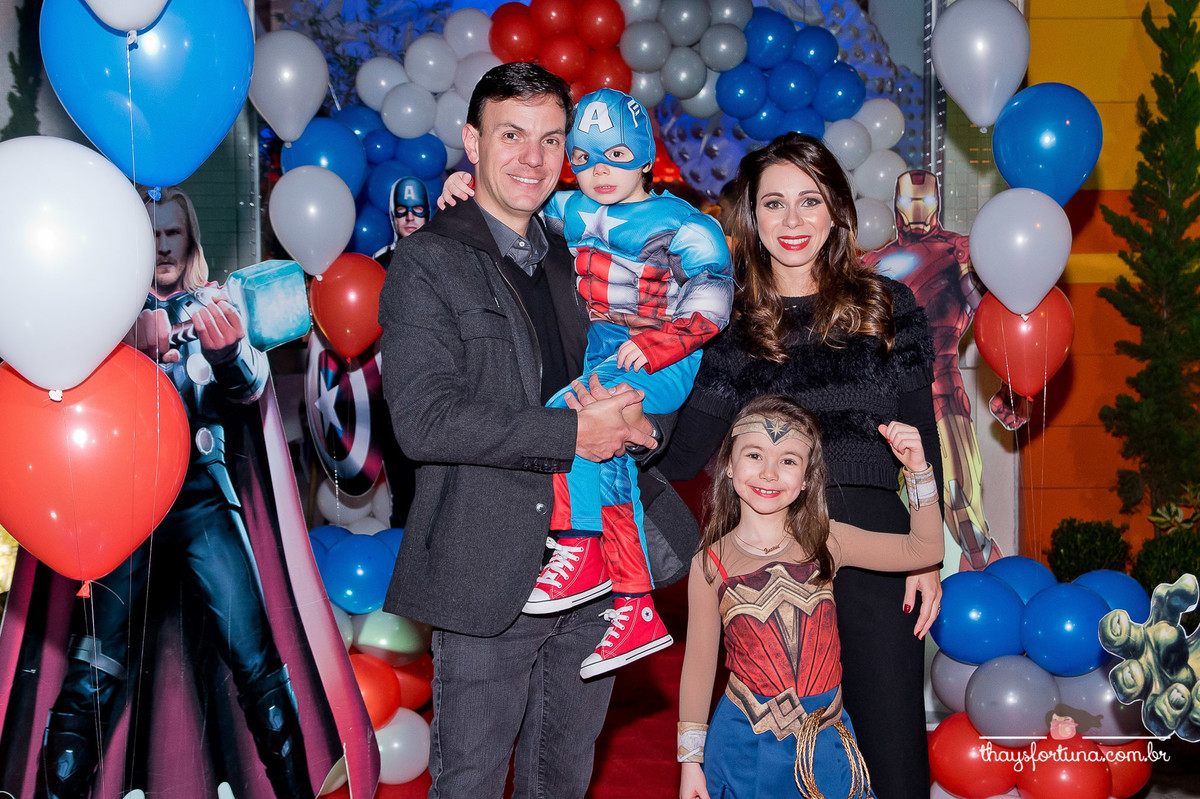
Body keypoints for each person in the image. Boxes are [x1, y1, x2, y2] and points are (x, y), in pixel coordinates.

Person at [377, 63, 699, 799]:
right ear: (473, 143)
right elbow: (424, 420)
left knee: (564, 779)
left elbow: (657, 347)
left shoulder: (585, 252)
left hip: (597, 569)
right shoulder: (429, 262)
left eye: (551, 139)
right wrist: (570, 434)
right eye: (512, 135)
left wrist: (645, 422)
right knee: (470, 783)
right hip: (489, 570)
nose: (533, 157)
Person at [656, 132, 944, 799]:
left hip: (876, 549)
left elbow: (920, 438)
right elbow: (687, 453)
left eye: (809, 201)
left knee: (893, 754)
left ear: (836, 210)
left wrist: (926, 555)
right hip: (772, 560)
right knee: (782, 767)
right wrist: (624, 398)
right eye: (774, 203)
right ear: (751, 217)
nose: (792, 220)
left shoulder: (888, 306)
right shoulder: (729, 323)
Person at [33, 186, 318, 799]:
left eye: (173, 233)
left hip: (200, 502)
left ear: (190, 240)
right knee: (91, 675)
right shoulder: (101, 310)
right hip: (120, 511)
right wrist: (117, 346)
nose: (163, 246)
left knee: (257, 665)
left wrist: (226, 354)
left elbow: (249, 390)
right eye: (152, 233)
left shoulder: (219, 302)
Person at [440, 87, 733, 677]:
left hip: (663, 354)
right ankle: (634, 603)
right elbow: (511, 202)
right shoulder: (567, 208)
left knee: (568, 419)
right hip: (605, 352)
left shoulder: (685, 224)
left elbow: (714, 297)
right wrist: (464, 188)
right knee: (604, 454)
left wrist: (658, 344)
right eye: (584, 157)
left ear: (645, 156)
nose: (600, 171)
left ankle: (581, 549)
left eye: (617, 155)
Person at [677, 395, 944, 798]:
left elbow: (924, 550)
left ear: (806, 479)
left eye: (788, 460)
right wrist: (690, 763)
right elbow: (698, 666)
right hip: (743, 751)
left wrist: (918, 471)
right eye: (754, 455)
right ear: (728, 464)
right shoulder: (708, 564)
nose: (769, 473)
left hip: (825, 749)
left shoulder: (828, 540)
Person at [861, 169, 1000, 570]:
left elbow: (996, 320)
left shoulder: (959, 253)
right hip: (884, 409)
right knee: (882, 515)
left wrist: (1015, 389)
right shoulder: (871, 264)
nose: (917, 210)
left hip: (942, 397)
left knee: (960, 506)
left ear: (938, 202)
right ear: (896, 203)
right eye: (909, 200)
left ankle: (985, 592)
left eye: (926, 200)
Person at [374, 175, 431, 270]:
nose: (410, 217)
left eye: (417, 209)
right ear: (393, 216)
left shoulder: (440, 260)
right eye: (401, 209)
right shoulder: (381, 262)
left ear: (427, 215)